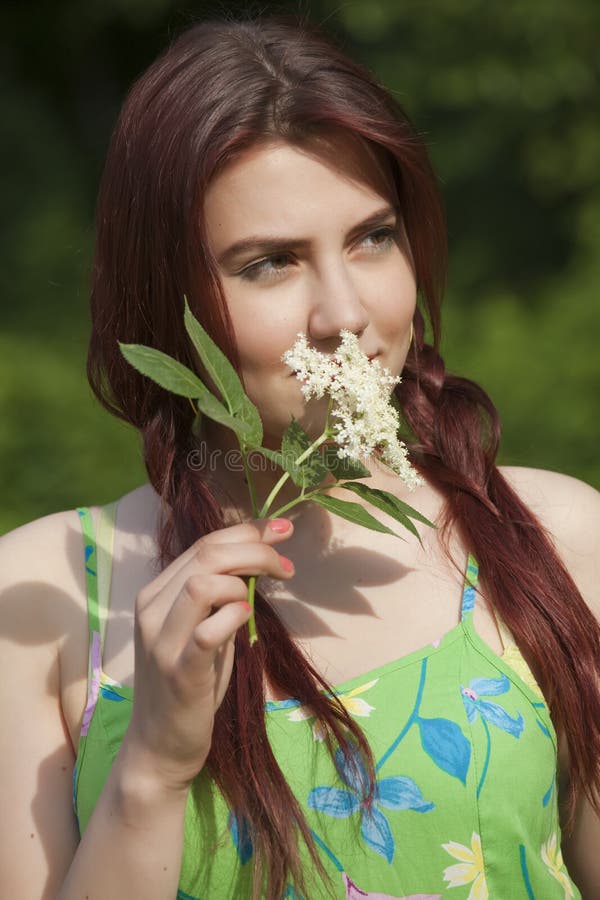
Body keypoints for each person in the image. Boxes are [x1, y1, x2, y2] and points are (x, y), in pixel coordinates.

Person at [1, 12, 599, 900]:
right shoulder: (40, 601)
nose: (345, 313)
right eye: (270, 262)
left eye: (373, 237)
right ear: (163, 301)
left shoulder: (556, 539)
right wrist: (152, 775)